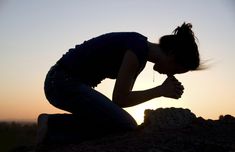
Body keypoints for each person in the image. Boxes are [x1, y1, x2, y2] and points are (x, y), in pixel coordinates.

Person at [38, 22, 201, 144]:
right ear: (171, 55)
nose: (170, 74)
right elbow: (120, 99)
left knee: (113, 120)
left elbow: (123, 99)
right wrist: (160, 91)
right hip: (61, 82)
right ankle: (52, 125)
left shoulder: (139, 53)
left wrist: (161, 90)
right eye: (176, 69)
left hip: (62, 82)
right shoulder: (136, 50)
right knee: (126, 124)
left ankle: (53, 128)